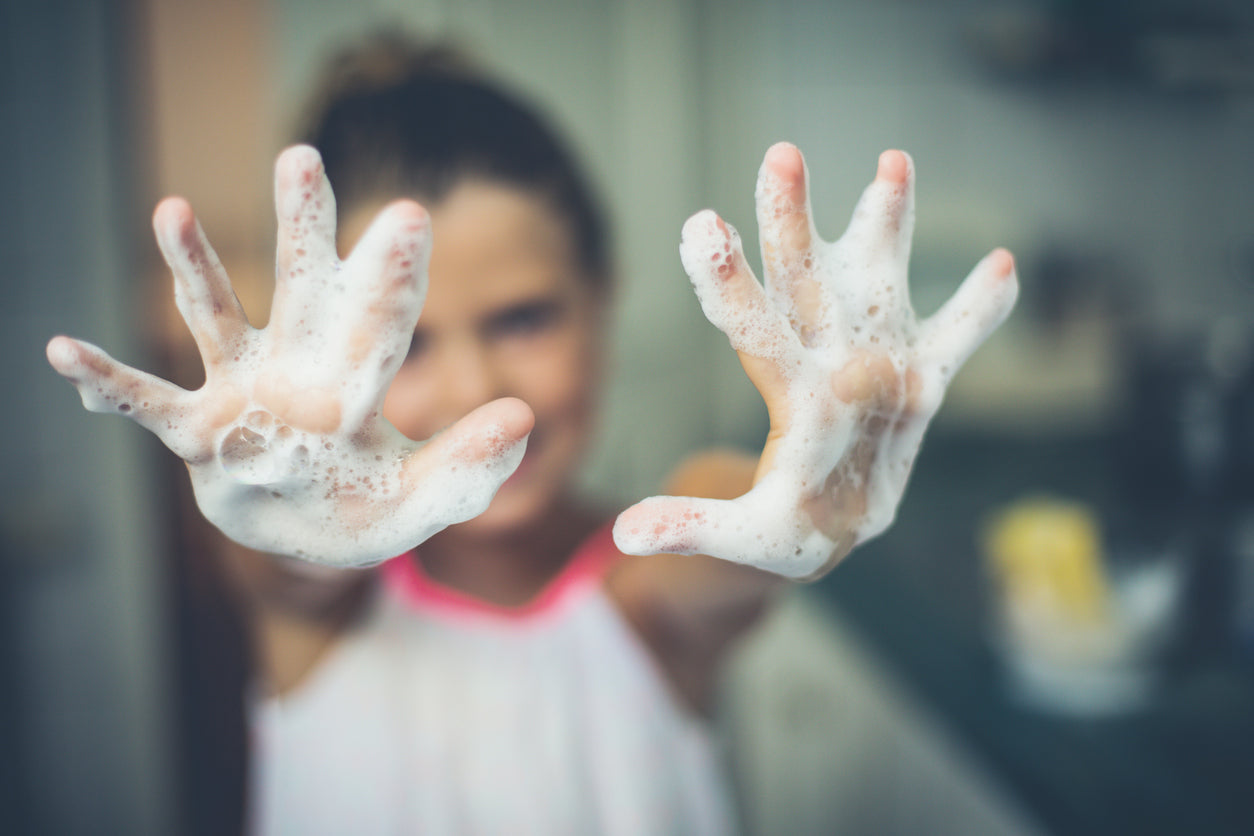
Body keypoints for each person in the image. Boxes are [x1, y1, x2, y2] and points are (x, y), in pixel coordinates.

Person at [45, 35, 1017, 836]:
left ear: (604, 302)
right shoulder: (318, 604)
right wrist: (278, 497)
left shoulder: (647, 592)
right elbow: (280, 570)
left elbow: (724, 527)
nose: (476, 388)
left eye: (523, 317)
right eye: (409, 343)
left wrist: (797, 494)